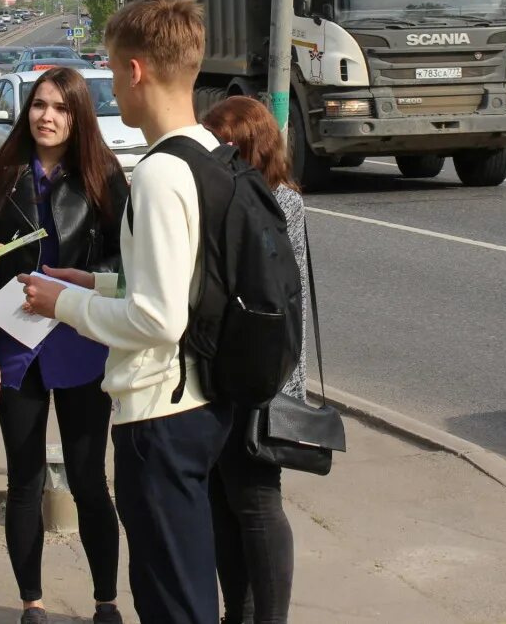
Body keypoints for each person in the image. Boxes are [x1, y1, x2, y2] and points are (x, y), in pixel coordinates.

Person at [22, 0, 231, 624]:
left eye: (113, 72)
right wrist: (98, 281)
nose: (112, 85)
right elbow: (182, 285)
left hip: (158, 415)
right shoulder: (207, 154)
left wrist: (68, 303)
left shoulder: (162, 174)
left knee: (169, 597)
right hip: (199, 401)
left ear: (136, 73)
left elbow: (159, 319)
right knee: (189, 584)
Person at [0, 66, 128, 624]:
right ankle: (31, 602)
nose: (47, 116)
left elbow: (125, 263)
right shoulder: (2, 175)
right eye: (39, 105)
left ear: (77, 115)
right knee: (24, 480)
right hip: (16, 348)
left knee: (88, 479)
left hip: (80, 340)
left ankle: (106, 600)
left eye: (60, 107)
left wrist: (81, 281)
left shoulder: (104, 177)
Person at [199, 96, 310, 624]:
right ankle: (236, 616)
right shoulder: (229, 195)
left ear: (249, 146)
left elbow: (279, 301)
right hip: (226, 372)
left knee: (257, 503)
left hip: (265, 374)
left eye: (224, 142)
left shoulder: (279, 201)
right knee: (224, 503)